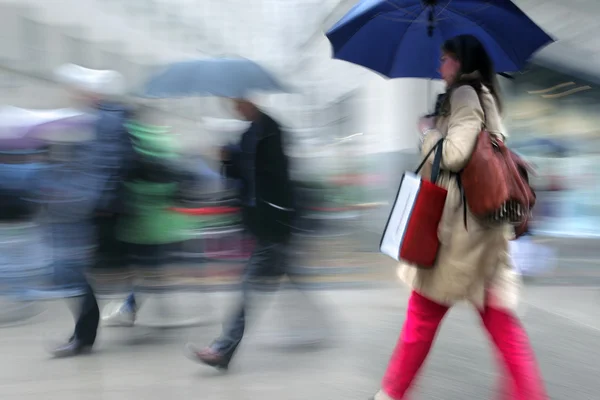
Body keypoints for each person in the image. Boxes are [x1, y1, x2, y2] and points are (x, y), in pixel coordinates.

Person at [371, 35, 547, 400]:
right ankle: (527, 394)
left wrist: (430, 132)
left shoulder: (465, 95)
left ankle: (391, 393)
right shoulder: (487, 96)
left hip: (457, 236)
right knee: (502, 324)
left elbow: (453, 156)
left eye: (445, 58)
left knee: (420, 320)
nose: (440, 66)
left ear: (461, 62)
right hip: (486, 230)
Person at [186, 97, 299, 370]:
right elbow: (242, 175)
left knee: (248, 288)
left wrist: (235, 156)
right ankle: (314, 328)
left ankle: (223, 348)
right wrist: (227, 158)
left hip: (273, 224)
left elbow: (269, 175)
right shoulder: (251, 132)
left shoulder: (271, 131)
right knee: (290, 280)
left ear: (250, 101)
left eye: (237, 104)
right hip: (264, 225)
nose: (234, 110)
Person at [48, 64, 135, 357]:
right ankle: (84, 335)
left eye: (79, 88)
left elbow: (107, 166)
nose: (74, 93)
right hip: (92, 207)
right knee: (70, 270)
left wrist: (88, 202)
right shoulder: (102, 119)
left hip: (94, 210)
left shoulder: (105, 121)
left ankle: (84, 336)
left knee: (67, 269)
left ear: (93, 91)